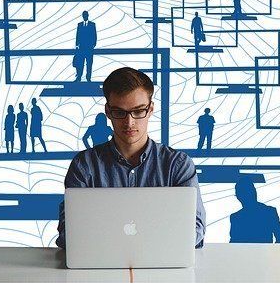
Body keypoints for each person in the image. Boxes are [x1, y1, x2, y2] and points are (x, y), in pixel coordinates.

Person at [56, 67, 206, 249]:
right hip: (99, 269)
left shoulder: (178, 165)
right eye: (120, 112)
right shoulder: (84, 166)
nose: (129, 122)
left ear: (150, 109)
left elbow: (195, 230)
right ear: (108, 112)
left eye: (138, 111)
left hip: (164, 269)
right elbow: (68, 233)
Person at [229, 176, 280, 243]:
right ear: (254, 193)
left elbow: (233, 243)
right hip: (263, 252)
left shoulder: (236, 218)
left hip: (246, 253)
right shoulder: (269, 212)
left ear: (238, 197)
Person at [73, 10, 97, 82]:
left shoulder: (92, 24)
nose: (84, 17)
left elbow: (94, 35)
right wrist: (77, 45)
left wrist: (93, 44)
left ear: (88, 16)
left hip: (89, 48)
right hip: (82, 48)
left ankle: (88, 78)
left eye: (85, 15)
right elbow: (78, 35)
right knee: (81, 63)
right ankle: (79, 77)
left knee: (89, 63)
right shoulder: (79, 25)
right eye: (83, 15)